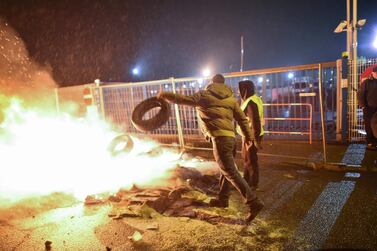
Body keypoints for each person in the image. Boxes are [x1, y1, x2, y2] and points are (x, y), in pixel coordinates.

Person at [158, 74, 264, 222]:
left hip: (219, 138)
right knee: (225, 169)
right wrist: (248, 137)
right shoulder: (231, 99)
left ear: (211, 83)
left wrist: (164, 95)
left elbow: (183, 99)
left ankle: (253, 203)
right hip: (231, 138)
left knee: (230, 171)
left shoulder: (204, 95)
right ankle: (223, 199)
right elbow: (242, 120)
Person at [237, 80, 264, 190]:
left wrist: (255, 139)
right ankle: (246, 180)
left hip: (251, 135)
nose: (239, 93)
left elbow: (255, 121)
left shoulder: (250, 103)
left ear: (245, 90)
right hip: (250, 134)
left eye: (240, 90)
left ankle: (253, 184)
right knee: (247, 158)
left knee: (251, 160)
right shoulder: (254, 99)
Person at [357, 66, 377, 150]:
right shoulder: (367, 82)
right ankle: (370, 142)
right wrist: (363, 106)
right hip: (369, 108)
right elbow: (360, 94)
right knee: (369, 126)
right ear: (373, 73)